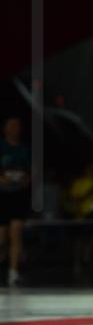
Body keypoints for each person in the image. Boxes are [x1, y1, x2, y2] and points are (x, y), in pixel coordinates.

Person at [0, 116, 31, 287]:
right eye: (11, 125)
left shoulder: (24, 150)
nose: (14, 128)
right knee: (2, 239)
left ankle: (13, 272)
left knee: (16, 234)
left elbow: (30, 172)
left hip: (18, 196)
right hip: (2, 196)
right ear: (5, 129)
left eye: (17, 125)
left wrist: (24, 180)